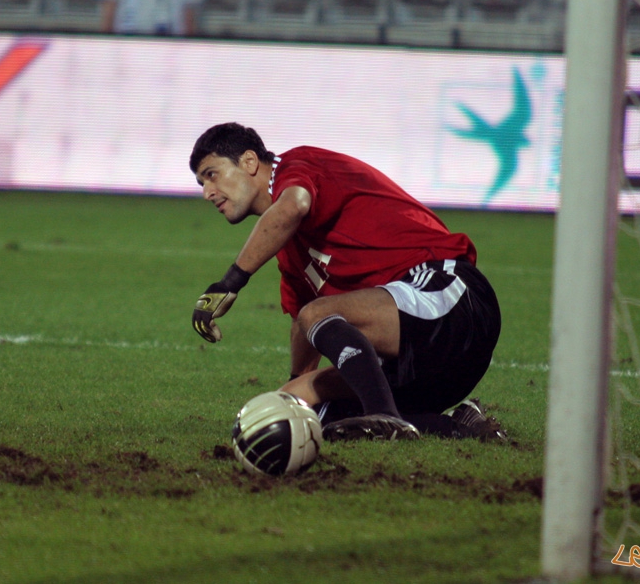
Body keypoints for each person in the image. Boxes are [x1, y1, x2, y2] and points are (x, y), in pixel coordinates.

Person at [189, 122, 504, 442]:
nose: (207, 192)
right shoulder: (289, 253)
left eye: (211, 174)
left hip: (451, 296)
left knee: (319, 313)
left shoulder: (297, 165)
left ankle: (385, 415)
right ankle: (456, 423)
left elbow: (293, 206)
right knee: (304, 410)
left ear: (249, 162)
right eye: (201, 183)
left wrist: (231, 282)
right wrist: (295, 393)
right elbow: (303, 324)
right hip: (427, 364)